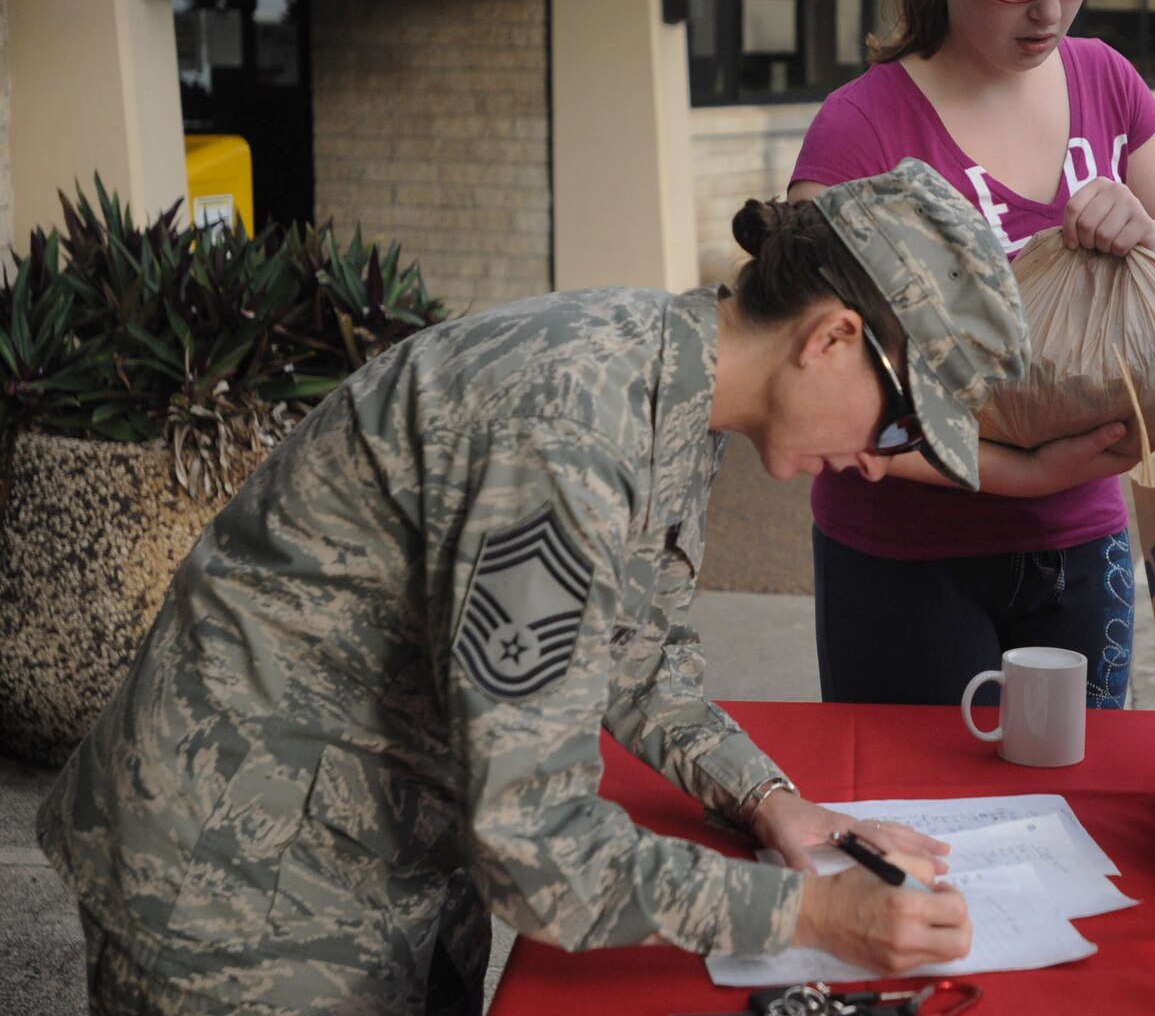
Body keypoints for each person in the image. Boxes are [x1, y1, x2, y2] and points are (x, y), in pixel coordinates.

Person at [38, 159, 1023, 1015]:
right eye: (896, 425)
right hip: (238, 879)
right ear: (830, 337)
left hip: (375, 832)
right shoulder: (567, 430)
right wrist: (809, 913)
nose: (879, 463)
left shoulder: (669, 378)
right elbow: (538, 845)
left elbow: (634, 649)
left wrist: (769, 800)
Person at [786, 0, 1155, 711]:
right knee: (924, 830)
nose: (1050, 11)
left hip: (1083, 542)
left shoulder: (1106, 81)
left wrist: (1147, 233)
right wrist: (1023, 474)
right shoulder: (862, 128)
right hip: (905, 560)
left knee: (1073, 819)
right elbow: (815, 383)